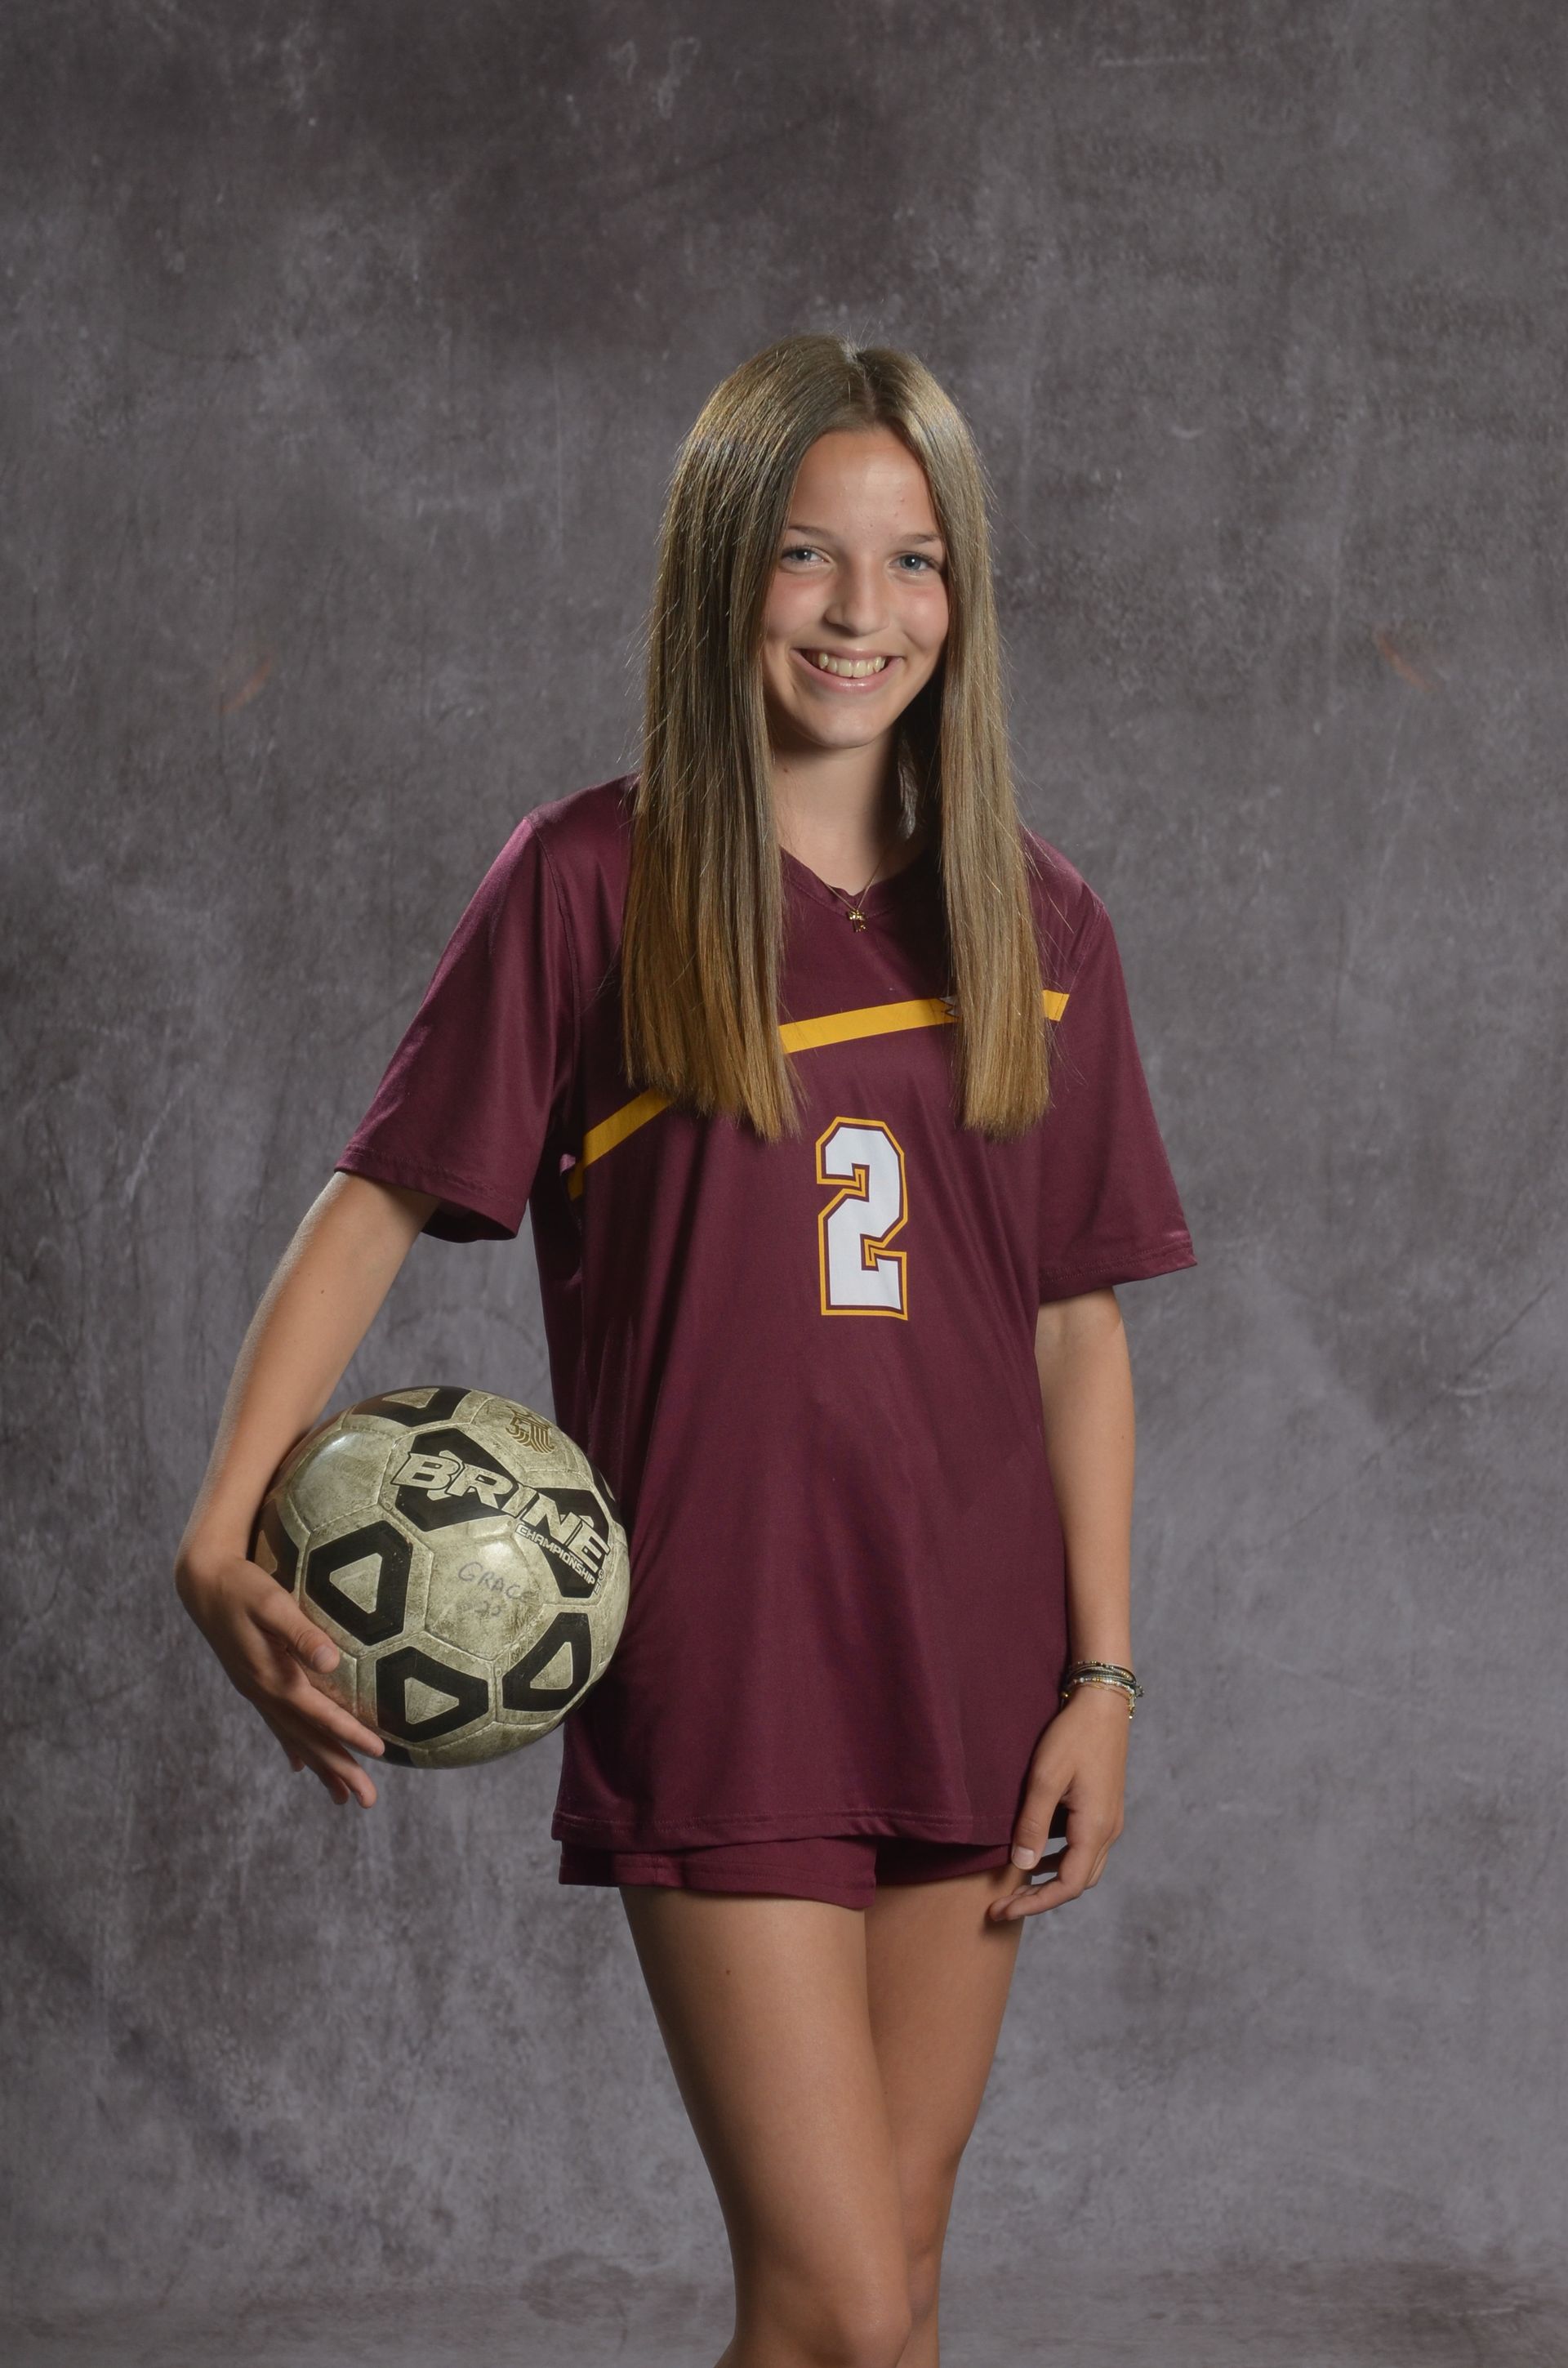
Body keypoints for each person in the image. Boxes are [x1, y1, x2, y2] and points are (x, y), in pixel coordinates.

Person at [175, 332, 1196, 2368]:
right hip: (726, 1656)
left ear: (963, 596)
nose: (861, 613)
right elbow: (380, 1196)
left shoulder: (1039, 921)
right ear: (723, 575)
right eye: (808, 558)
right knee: (826, 2304)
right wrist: (221, 1530)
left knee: (892, 2293)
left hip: (976, 1664)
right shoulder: (592, 882)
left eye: (912, 565)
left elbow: (1071, 1325)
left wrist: (1102, 1675)